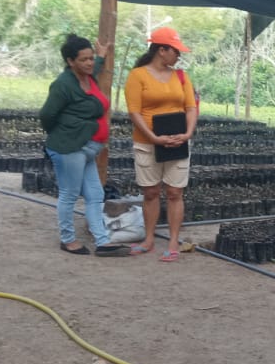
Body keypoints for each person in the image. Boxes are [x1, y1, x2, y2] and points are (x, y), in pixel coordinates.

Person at [39, 33, 130, 257]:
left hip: (88, 148)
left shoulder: (88, 77)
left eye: (90, 58)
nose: (89, 63)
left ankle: (102, 241)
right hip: (70, 147)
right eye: (84, 59)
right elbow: (46, 115)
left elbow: (94, 67)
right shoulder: (62, 85)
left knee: (95, 194)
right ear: (70, 61)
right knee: (69, 194)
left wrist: (100, 57)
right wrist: (65, 133)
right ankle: (67, 239)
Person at [124, 27, 198, 262]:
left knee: (175, 192)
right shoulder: (138, 76)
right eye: (175, 51)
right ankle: (148, 239)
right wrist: (153, 138)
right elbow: (134, 111)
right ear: (161, 50)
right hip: (147, 142)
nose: (178, 55)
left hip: (177, 141)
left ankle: (174, 241)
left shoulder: (181, 76)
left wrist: (187, 133)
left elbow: (191, 107)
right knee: (151, 191)